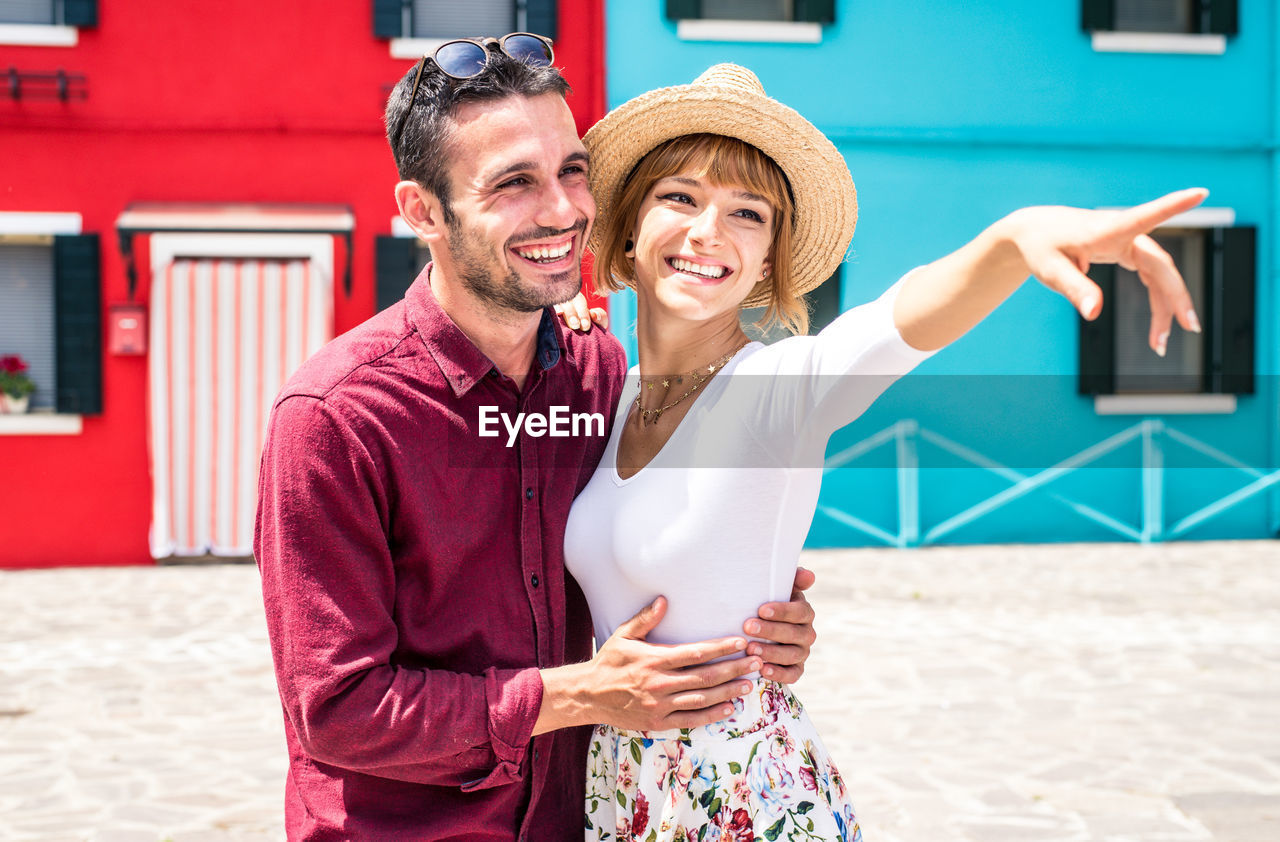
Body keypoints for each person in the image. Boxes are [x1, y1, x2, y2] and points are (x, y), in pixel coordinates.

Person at [563, 64, 1205, 840]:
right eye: (681, 197)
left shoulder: (779, 390)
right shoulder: (608, 392)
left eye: (747, 213)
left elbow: (897, 323)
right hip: (618, 790)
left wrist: (1011, 241)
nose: (709, 231)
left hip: (744, 796)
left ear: (768, 258)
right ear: (630, 225)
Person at [254, 38, 821, 840]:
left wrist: (759, 623)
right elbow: (338, 710)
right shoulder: (336, 415)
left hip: (579, 821)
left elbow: (637, 558)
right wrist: (581, 694)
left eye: (571, 171)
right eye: (514, 183)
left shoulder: (599, 371)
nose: (560, 210)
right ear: (423, 213)